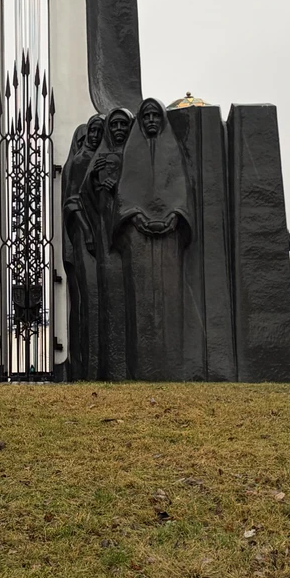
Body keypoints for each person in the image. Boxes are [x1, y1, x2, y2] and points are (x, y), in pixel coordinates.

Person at [113, 97, 203, 379]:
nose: (151, 121)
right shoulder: (133, 152)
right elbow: (124, 192)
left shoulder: (172, 151)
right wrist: (135, 217)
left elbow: (181, 190)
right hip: (137, 236)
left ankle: (173, 364)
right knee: (139, 302)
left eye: (155, 116)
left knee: (170, 297)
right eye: (146, 116)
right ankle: (141, 368)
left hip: (169, 236)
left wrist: (175, 216)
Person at [88, 108, 134, 379]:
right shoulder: (99, 156)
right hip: (105, 229)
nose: (117, 129)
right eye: (113, 124)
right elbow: (85, 194)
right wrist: (96, 180)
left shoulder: (135, 154)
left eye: (122, 124)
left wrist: (115, 184)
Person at [62, 114, 105, 379]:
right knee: (88, 296)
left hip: (102, 234)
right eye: (93, 130)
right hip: (85, 234)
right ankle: (85, 365)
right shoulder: (80, 160)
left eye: (101, 130)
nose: (96, 135)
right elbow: (72, 200)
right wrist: (87, 230)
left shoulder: (105, 158)